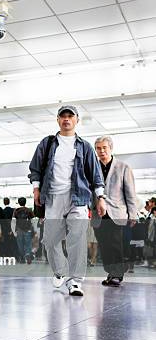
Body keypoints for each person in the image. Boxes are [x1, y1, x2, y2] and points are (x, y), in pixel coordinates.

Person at [29, 105, 106, 296]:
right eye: (62, 116)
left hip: (78, 198)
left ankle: (75, 281)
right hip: (53, 198)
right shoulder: (47, 144)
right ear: (57, 120)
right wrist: (36, 189)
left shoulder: (85, 146)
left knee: (77, 239)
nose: (66, 119)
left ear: (76, 120)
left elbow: (95, 175)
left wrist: (101, 198)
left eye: (70, 116)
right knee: (49, 240)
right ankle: (60, 270)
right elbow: (36, 168)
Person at [91, 136, 139, 287]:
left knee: (115, 244)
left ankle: (117, 274)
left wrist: (133, 214)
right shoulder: (92, 167)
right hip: (98, 214)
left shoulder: (123, 167)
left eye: (104, 147)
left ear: (111, 148)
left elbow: (130, 193)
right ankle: (111, 273)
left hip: (117, 213)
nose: (101, 151)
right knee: (104, 245)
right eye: (98, 148)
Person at [12, 197, 35, 264]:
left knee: (20, 244)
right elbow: (33, 221)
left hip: (19, 230)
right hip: (28, 229)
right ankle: (27, 255)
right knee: (28, 244)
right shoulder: (29, 210)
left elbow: (13, 222)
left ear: (19, 203)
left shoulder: (16, 211)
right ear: (25, 202)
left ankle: (22, 258)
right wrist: (33, 229)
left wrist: (14, 231)